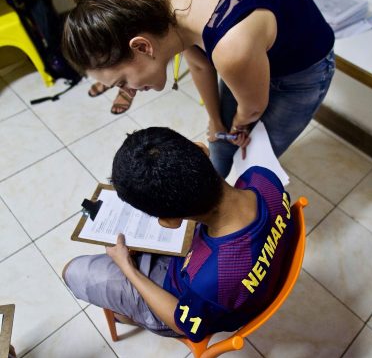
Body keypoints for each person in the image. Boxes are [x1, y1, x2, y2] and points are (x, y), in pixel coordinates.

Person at [61, 0, 335, 177]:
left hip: (302, 69)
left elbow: (252, 107)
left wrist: (238, 127)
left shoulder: (231, 49)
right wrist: (215, 120)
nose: (130, 89)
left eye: (123, 82)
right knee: (219, 142)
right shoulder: (154, 2)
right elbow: (201, 63)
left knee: (255, 157)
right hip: (250, 52)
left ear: (142, 46)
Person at [62, 127, 295, 342]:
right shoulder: (263, 178)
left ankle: (130, 317)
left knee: (72, 271)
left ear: (170, 222)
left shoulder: (210, 280)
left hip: (189, 298)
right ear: (202, 149)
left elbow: (183, 324)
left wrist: (127, 268)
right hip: (229, 280)